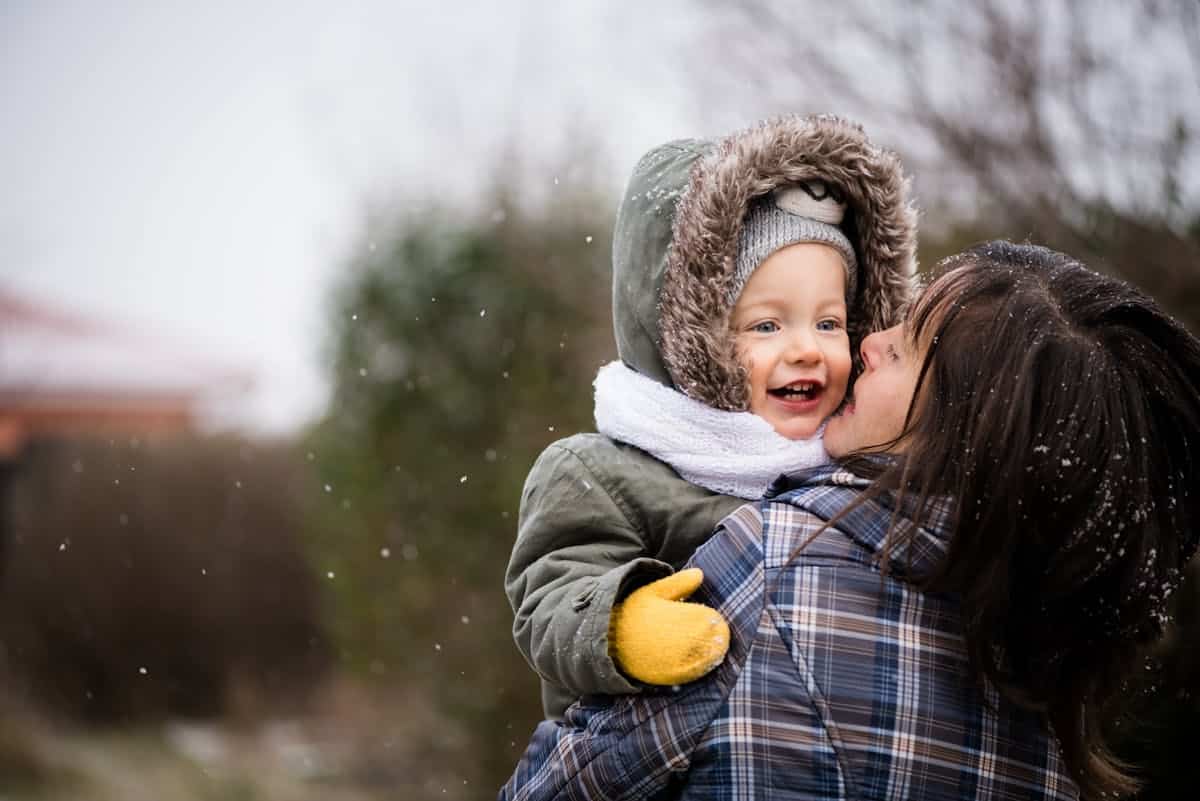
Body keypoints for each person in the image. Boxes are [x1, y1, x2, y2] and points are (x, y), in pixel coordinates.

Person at [500, 241, 1200, 801]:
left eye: (904, 347)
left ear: (966, 429)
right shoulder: (1050, 682)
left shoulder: (781, 563)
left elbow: (562, 782)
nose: (869, 340)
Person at [506, 115, 918, 720]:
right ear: (692, 338)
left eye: (829, 323)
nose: (806, 348)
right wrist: (619, 625)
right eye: (766, 326)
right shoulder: (604, 473)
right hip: (649, 750)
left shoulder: (853, 470)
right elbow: (548, 596)